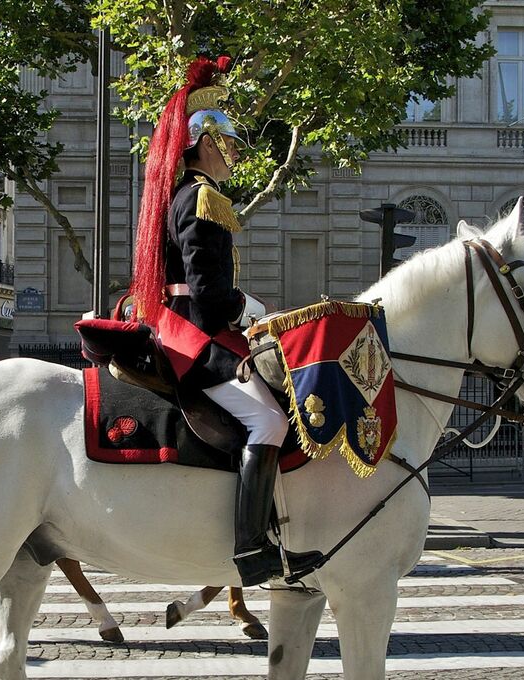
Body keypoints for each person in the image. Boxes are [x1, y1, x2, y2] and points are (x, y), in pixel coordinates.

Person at [128, 56, 320, 587]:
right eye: (231, 145)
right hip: (194, 336)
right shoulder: (203, 198)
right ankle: (250, 550)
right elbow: (209, 298)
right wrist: (252, 310)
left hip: (192, 325)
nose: (235, 155)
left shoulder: (187, 196)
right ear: (207, 143)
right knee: (270, 422)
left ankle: (278, 531)